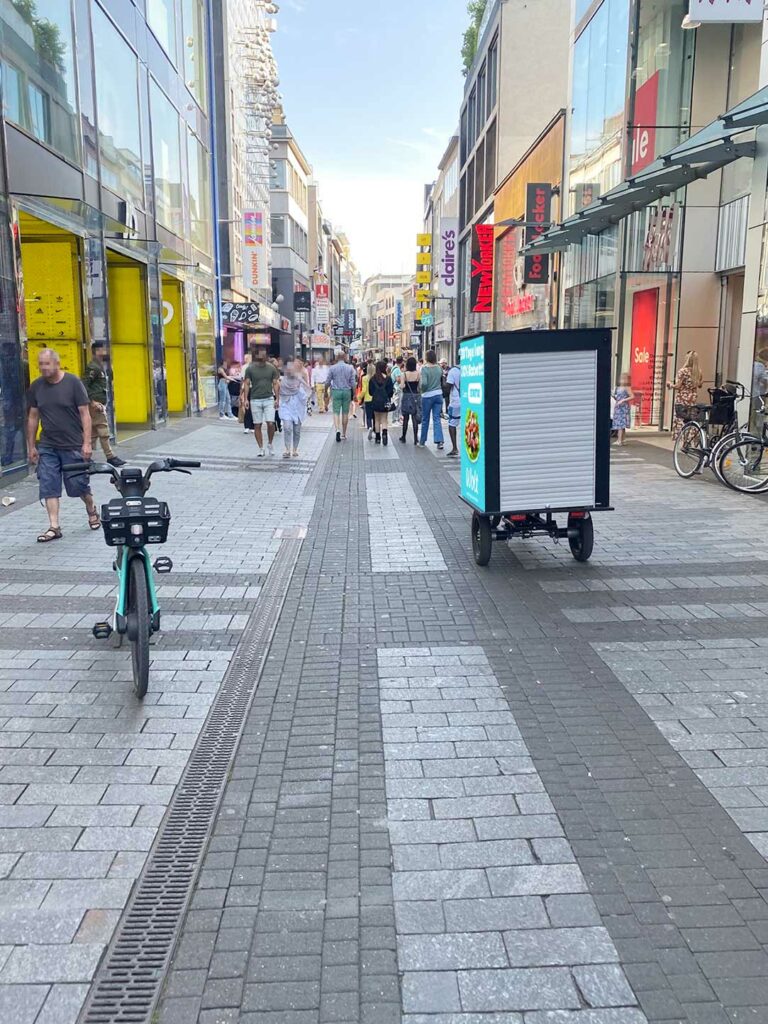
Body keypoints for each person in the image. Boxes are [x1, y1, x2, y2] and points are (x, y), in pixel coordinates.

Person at [26, 348, 100, 543]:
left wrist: (87, 443)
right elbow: (33, 417)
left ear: (57, 364)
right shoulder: (36, 387)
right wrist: (31, 446)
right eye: (40, 364)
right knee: (48, 484)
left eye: (46, 364)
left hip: (73, 445)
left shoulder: (73, 383)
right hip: (48, 445)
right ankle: (54, 526)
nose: (43, 367)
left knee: (78, 485)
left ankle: (91, 509)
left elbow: (85, 414)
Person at [83, 341, 125, 466]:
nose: (106, 352)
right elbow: (84, 385)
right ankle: (110, 456)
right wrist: (92, 402)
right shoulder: (93, 367)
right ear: (97, 351)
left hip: (98, 404)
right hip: (95, 405)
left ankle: (86, 457)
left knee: (94, 432)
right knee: (103, 430)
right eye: (104, 350)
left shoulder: (102, 366)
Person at [242, 348, 280, 457]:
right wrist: (245, 399)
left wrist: (277, 398)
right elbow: (246, 383)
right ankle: (261, 448)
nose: (262, 356)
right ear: (257, 356)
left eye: (264, 354)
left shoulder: (271, 368)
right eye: (260, 354)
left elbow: (275, 383)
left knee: (270, 423)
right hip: (255, 399)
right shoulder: (250, 368)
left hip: (268, 398)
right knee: (257, 425)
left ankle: (270, 443)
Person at [279, 358, 310, 458]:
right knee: (287, 427)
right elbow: (279, 390)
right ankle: (287, 449)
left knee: (297, 430)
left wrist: (304, 397)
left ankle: (295, 449)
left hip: (298, 405)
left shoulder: (300, 377)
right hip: (286, 404)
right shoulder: (283, 380)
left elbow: (307, 388)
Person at [667, 350, 702, 437]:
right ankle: (689, 438)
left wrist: (670, 385)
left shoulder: (683, 371)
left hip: (682, 398)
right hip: (692, 399)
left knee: (681, 419)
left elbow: (678, 386)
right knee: (691, 419)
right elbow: (700, 385)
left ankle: (681, 438)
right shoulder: (698, 372)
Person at [326, 349, 356, 442]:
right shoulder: (350, 368)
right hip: (347, 391)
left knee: (336, 412)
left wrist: (325, 391)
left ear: (337, 357)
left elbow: (327, 381)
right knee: (345, 413)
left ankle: (337, 430)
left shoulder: (332, 368)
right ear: (345, 357)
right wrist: (354, 394)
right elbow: (353, 383)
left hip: (336, 391)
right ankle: (343, 433)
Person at [419, 350, 445, 450]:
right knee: (436, 418)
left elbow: (424, 384)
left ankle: (422, 441)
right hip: (438, 395)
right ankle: (439, 441)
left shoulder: (424, 369)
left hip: (427, 396)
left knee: (425, 419)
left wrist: (422, 389)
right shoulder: (439, 368)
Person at [369, 359, 394, 446]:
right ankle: (384, 434)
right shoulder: (388, 379)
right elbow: (391, 392)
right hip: (385, 402)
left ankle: (378, 438)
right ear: (384, 368)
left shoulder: (372, 379)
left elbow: (370, 392)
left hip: (375, 402)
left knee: (376, 419)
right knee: (384, 420)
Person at [399, 356, 421, 445]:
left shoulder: (404, 374)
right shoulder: (418, 373)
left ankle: (403, 437)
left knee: (406, 418)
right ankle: (416, 439)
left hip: (406, 396)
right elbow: (420, 386)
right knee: (414, 418)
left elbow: (401, 386)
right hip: (416, 396)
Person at [612, 373, 634, 446]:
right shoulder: (618, 387)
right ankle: (623, 439)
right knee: (620, 424)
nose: (623, 380)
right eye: (622, 378)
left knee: (621, 424)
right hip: (618, 406)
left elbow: (632, 396)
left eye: (624, 379)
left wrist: (623, 400)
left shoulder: (627, 387)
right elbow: (616, 396)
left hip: (623, 407)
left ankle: (619, 440)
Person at [446, 357, 461, 458]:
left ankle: (455, 448)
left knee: (452, 424)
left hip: (456, 401)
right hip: (471, 401)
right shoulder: (472, 367)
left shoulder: (453, 371)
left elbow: (448, 387)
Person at [361, 362, 375, 439]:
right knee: (375, 415)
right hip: (375, 399)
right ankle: (376, 430)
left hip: (367, 399)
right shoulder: (376, 378)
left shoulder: (364, 378)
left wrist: (359, 397)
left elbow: (364, 390)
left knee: (368, 416)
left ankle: (369, 427)